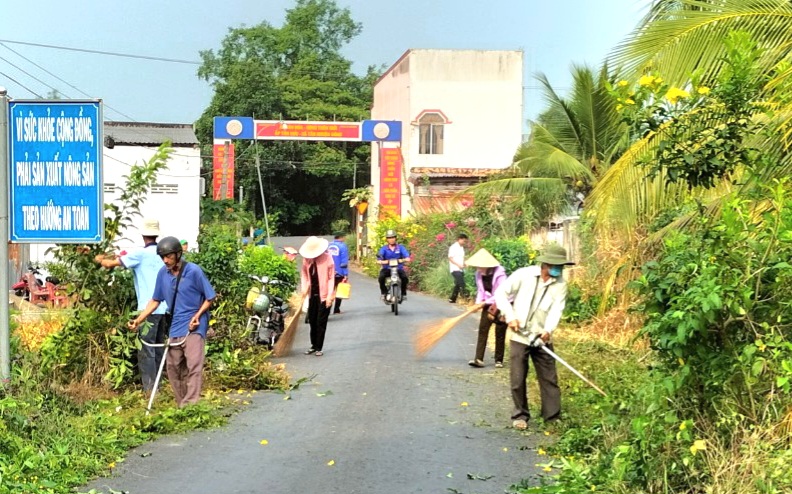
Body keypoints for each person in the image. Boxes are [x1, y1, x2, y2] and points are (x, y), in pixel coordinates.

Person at [129, 236, 216, 407]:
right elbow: (155, 300)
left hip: (195, 324)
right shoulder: (163, 274)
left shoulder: (194, 271)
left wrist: (197, 316)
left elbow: (210, 298)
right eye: (163, 257)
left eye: (168, 256)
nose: (165, 260)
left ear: (178, 254)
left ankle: (191, 404)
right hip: (176, 324)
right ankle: (181, 403)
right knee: (173, 366)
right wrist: (139, 320)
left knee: (193, 363)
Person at [494, 244, 574, 430]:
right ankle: (520, 415)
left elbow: (557, 309)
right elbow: (501, 294)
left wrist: (548, 330)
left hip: (541, 337)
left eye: (561, 266)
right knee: (518, 377)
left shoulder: (560, 284)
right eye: (556, 265)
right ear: (545, 264)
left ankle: (552, 418)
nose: (558, 270)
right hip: (520, 334)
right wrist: (511, 316)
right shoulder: (524, 275)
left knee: (549, 377)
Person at [94, 218, 167, 394]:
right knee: (158, 349)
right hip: (164, 309)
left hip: (147, 310)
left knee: (146, 350)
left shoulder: (140, 255)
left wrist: (98, 258)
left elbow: (110, 264)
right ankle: (159, 387)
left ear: (143, 235)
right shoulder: (164, 254)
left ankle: (150, 391)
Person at [466, 248, 508, 369]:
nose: (478, 268)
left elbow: (501, 293)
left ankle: (499, 360)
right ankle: (478, 359)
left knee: (500, 331)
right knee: (483, 329)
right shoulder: (478, 274)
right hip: (487, 304)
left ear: (488, 266)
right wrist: (478, 303)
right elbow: (481, 291)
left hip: (502, 303)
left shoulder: (500, 274)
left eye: (480, 266)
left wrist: (484, 303)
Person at [299, 236, 335, 356]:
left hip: (324, 296)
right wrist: (304, 289)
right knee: (312, 320)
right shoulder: (306, 260)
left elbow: (331, 278)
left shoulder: (327, 258)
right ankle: (313, 345)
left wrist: (330, 296)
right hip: (312, 295)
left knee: (321, 321)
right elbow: (304, 274)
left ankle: (319, 347)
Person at [377, 230, 410, 302]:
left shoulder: (401, 248)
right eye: (389, 238)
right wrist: (381, 261)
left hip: (398, 268)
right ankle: (384, 293)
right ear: (387, 239)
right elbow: (379, 258)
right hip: (387, 269)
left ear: (395, 238)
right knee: (381, 277)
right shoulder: (384, 249)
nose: (391, 239)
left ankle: (403, 294)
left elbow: (407, 257)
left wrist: (404, 259)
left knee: (404, 278)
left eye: (393, 237)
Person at [327, 232, 349, 314]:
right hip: (339, 272)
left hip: (329, 272)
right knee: (340, 291)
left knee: (329, 291)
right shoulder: (343, 246)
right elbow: (344, 262)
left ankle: (327, 309)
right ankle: (336, 309)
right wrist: (345, 274)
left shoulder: (328, 246)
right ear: (341, 237)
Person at [448, 233, 468, 303]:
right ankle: (466, 297)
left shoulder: (461, 248)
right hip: (454, 269)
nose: (464, 243)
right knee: (462, 283)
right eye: (464, 241)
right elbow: (450, 258)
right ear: (459, 239)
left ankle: (452, 298)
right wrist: (458, 265)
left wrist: (464, 263)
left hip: (461, 268)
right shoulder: (453, 247)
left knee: (457, 284)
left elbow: (462, 257)